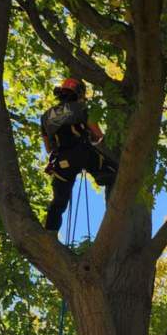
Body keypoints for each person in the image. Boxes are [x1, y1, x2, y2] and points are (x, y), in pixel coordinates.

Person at [41, 77, 117, 232]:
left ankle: (50, 233)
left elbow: (49, 148)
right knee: (113, 172)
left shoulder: (45, 117)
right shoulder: (81, 108)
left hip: (61, 162)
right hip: (82, 153)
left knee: (59, 202)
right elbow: (98, 135)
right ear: (78, 93)